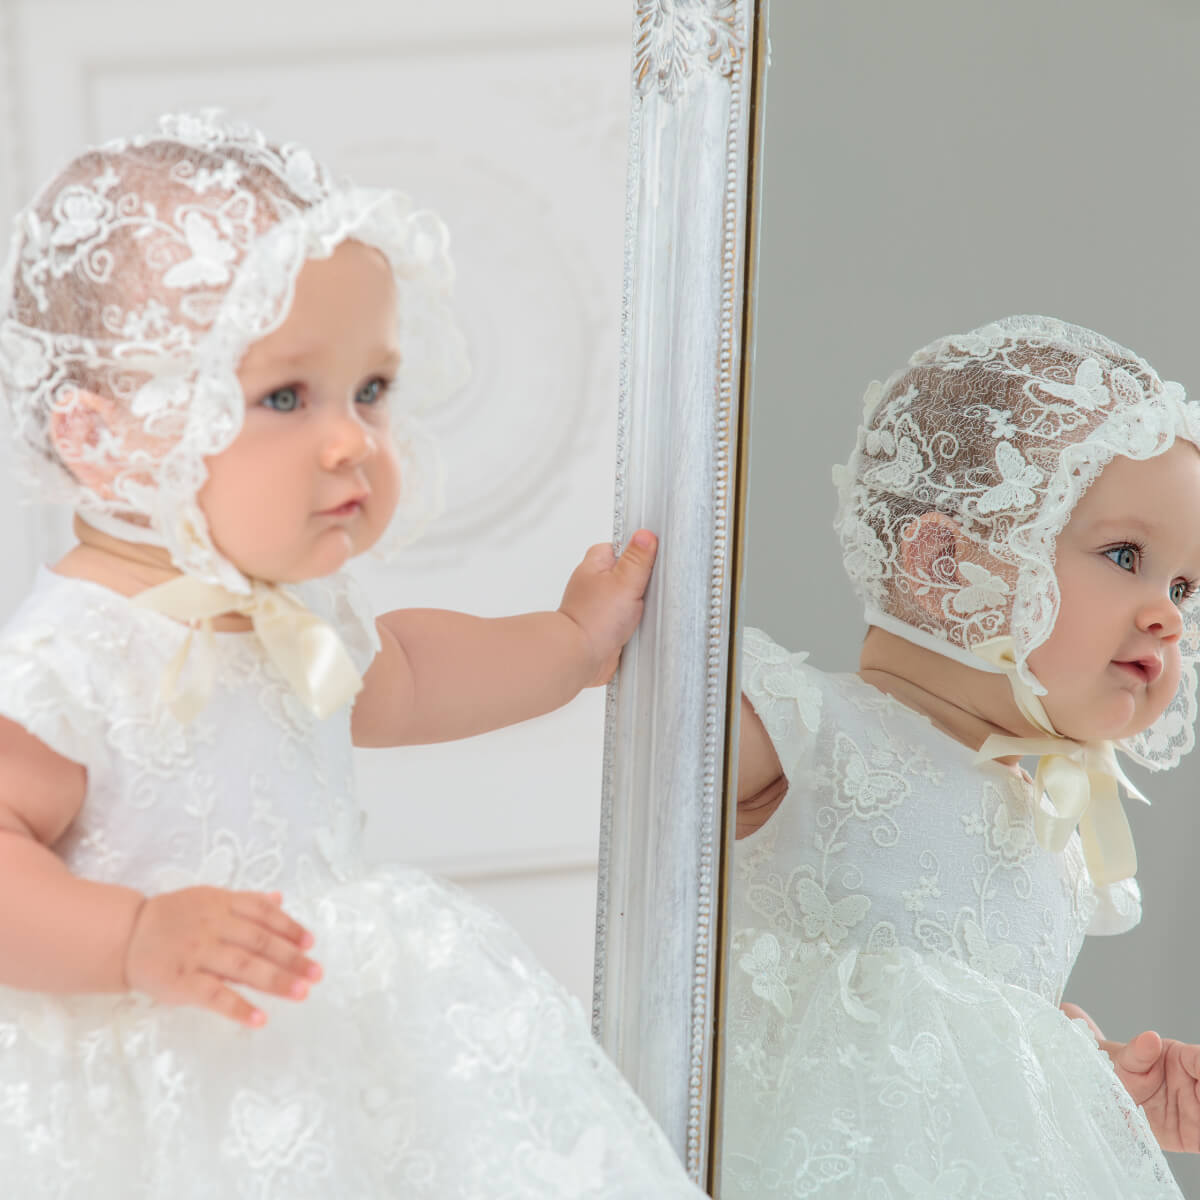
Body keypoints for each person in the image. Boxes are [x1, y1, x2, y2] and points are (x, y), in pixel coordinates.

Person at [0, 111, 704, 1198]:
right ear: (105, 439)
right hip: (173, 1087)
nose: (353, 441)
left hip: (336, 1054)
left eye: (369, 392)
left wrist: (568, 646)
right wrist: (133, 937)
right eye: (285, 397)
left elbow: (409, 678)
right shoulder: (75, 656)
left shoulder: (289, 615)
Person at [723, 315, 1200, 1197]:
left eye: (1182, 586)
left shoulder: (1055, 827)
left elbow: (973, 1059)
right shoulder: (816, 733)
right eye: (1126, 556)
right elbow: (630, 779)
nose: (1169, 613)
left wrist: (1096, 1080)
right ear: (946, 561)